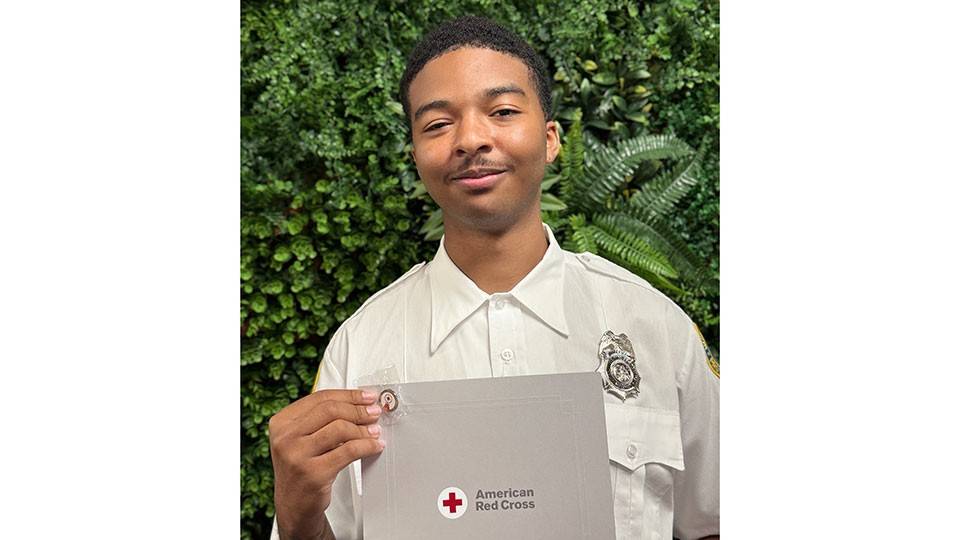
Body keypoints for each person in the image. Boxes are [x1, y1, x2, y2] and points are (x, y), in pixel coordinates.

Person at [268, 15, 719, 540]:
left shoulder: (655, 328)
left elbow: (712, 521)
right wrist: (297, 517)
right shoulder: (361, 348)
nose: (471, 138)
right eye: (437, 124)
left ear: (550, 139)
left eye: (502, 111)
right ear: (416, 156)